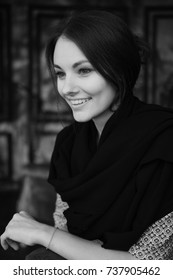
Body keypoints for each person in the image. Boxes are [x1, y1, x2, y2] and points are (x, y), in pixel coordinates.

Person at [1, 10, 173, 260]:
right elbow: (66, 245)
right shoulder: (68, 144)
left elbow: (147, 269)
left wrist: (41, 233)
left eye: (83, 70)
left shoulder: (165, 139)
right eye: (60, 73)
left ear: (120, 70)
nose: (67, 89)